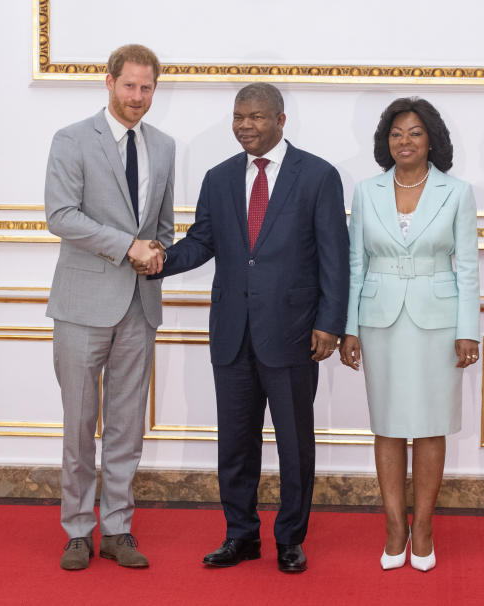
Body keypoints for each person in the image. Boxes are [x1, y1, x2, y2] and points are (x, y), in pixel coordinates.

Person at [144, 83, 349, 573]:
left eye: (255, 117)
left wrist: (330, 323)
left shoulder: (318, 175)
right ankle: (240, 536)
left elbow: (335, 258)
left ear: (281, 120)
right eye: (238, 116)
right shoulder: (219, 178)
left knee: (295, 445)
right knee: (235, 443)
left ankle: (290, 540)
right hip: (233, 333)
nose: (245, 126)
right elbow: (202, 242)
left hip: (295, 334)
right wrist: (159, 261)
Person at [44, 44, 174, 571]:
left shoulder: (164, 146)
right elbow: (61, 215)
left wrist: (158, 252)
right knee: (79, 425)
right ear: (109, 82)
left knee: (127, 426)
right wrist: (126, 247)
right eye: (129, 86)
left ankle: (118, 526)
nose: (138, 97)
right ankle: (77, 530)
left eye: (147, 88)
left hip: (140, 306)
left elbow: (161, 225)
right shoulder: (72, 139)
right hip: (81, 304)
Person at [339, 97, 480, 572]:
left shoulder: (456, 192)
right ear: (386, 141)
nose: (405, 141)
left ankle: (424, 527)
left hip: (439, 324)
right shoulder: (366, 191)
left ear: (431, 139)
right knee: (389, 425)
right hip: (379, 321)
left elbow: (468, 268)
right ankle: (394, 526)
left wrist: (468, 331)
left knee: (430, 425)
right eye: (397, 132)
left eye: (415, 132)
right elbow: (356, 263)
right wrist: (348, 327)